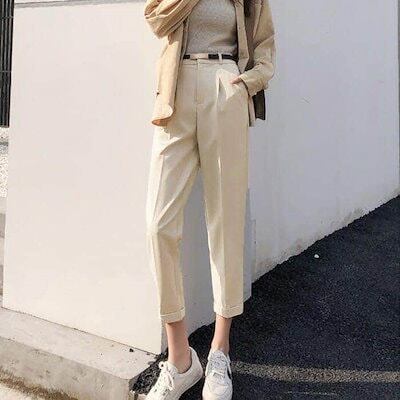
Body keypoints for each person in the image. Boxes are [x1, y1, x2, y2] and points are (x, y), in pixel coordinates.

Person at [144, 0, 275, 398]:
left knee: (226, 223)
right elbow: (155, 19)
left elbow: (265, 45)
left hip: (225, 87)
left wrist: (246, 83)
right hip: (176, 91)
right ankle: (180, 359)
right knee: (158, 226)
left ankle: (220, 350)